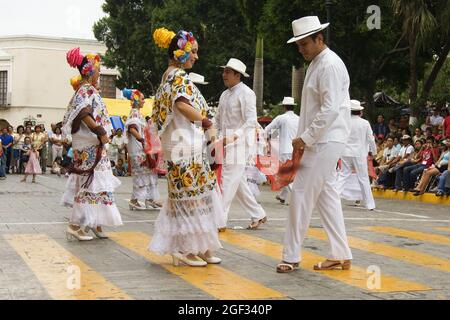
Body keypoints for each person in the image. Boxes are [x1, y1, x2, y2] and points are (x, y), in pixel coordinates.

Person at [276, 16, 352, 273]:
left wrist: (305, 138)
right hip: (321, 140)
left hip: (324, 140)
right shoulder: (317, 63)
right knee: (326, 196)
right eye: (298, 45)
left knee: (300, 194)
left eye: (305, 44)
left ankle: (291, 256)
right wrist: (305, 139)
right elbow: (317, 108)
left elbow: (330, 110)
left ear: (319, 38)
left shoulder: (328, 65)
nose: (301, 49)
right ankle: (341, 253)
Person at [148, 28, 222, 267]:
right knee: (191, 198)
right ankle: (186, 248)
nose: (196, 57)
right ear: (181, 52)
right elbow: (181, 104)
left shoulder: (168, 76)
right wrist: (207, 122)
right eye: (194, 52)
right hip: (184, 146)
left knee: (193, 197)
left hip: (181, 145)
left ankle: (200, 246)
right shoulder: (178, 76)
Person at [61, 47, 122, 241]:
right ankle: (76, 224)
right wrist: (101, 132)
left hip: (92, 145)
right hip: (90, 145)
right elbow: (83, 113)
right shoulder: (85, 89)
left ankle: (95, 222)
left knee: (98, 182)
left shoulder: (87, 90)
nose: (100, 72)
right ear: (88, 71)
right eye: (97, 68)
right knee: (91, 182)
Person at [215, 58, 267, 230]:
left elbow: (251, 121)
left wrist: (234, 137)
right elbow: (218, 120)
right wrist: (211, 136)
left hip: (240, 144)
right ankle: (258, 213)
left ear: (238, 75)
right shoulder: (224, 94)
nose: (224, 75)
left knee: (228, 180)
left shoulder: (247, 93)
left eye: (228, 72)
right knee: (238, 182)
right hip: (225, 142)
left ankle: (219, 220)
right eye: (224, 71)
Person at [123, 88, 162, 210]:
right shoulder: (134, 113)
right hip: (139, 150)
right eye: (142, 99)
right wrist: (142, 140)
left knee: (149, 174)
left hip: (142, 150)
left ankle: (150, 199)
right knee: (141, 175)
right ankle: (134, 200)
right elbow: (132, 128)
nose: (144, 101)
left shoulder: (138, 114)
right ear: (136, 100)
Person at [335, 100, 377, 210]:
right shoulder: (365, 123)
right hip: (359, 153)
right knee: (363, 178)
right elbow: (371, 139)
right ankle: (369, 204)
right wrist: (374, 152)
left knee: (343, 176)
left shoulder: (345, 122)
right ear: (360, 112)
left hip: (345, 152)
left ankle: (334, 200)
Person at [264, 97, 299, 205]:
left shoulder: (281, 118)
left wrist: (265, 138)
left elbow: (268, 129)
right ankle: (283, 196)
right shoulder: (299, 118)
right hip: (296, 150)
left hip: (285, 150)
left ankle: (296, 198)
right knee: (291, 173)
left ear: (284, 107)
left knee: (285, 174)